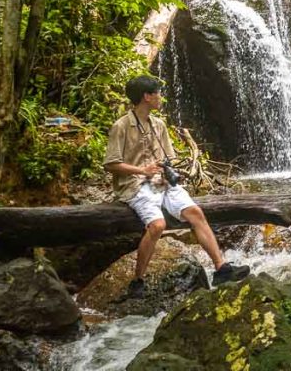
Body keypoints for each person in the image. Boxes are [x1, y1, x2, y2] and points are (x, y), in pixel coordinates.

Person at [104, 75, 249, 298]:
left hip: (161, 182)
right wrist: (142, 171)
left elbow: (168, 158)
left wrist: (169, 171)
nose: (161, 97)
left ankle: (221, 268)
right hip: (135, 185)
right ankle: (137, 281)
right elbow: (112, 164)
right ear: (147, 96)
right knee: (158, 226)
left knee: (195, 212)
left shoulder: (159, 125)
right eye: (157, 93)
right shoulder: (121, 126)